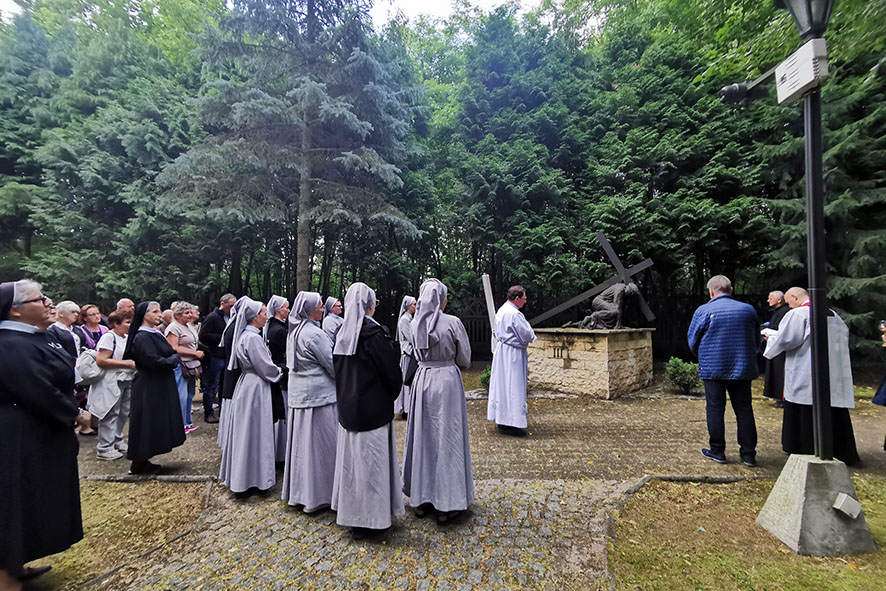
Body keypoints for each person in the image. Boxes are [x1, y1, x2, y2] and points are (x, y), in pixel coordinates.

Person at [1, 280, 90, 591]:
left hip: (43, 433)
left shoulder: (42, 336)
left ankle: (15, 561)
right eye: (40, 299)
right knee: (16, 497)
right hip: (21, 437)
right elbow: (37, 389)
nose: (49, 302)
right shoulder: (8, 343)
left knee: (32, 498)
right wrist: (77, 414)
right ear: (16, 310)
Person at [331, 283, 404, 539]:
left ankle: (354, 518)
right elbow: (391, 373)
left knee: (353, 467)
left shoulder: (341, 334)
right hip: (373, 411)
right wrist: (392, 393)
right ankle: (375, 519)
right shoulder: (374, 334)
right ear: (369, 305)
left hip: (349, 411)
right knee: (373, 467)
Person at [402, 279, 473, 523]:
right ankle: (448, 502)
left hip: (422, 380)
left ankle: (421, 498)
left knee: (424, 437)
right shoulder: (452, 322)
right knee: (447, 437)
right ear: (441, 298)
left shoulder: (413, 324)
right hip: (446, 382)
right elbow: (465, 358)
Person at [763, 287, 860, 465]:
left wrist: (771, 340)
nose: (789, 306)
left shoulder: (799, 314)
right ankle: (841, 450)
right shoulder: (833, 315)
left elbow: (786, 340)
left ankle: (804, 447)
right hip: (833, 371)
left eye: (789, 302)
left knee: (806, 408)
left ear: (794, 297)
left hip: (806, 369)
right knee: (832, 409)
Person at [688, 275, 760, 467]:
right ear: (732, 289)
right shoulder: (748, 310)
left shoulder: (704, 310)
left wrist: (703, 356)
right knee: (744, 409)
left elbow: (692, 340)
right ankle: (748, 454)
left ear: (711, 292)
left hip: (713, 368)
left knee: (715, 409)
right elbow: (756, 339)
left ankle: (718, 451)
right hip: (742, 367)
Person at [282, 291, 338, 512]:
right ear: (310, 309)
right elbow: (332, 364)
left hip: (299, 396)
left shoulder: (295, 332)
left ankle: (301, 492)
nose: (323, 309)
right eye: (320, 306)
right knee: (321, 447)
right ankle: (322, 493)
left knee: (302, 449)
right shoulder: (315, 334)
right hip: (319, 399)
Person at [219, 300, 282, 494]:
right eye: (264, 312)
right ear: (255, 317)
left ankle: (246, 476)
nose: (266, 315)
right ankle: (254, 478)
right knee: (255, 431)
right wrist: (281, 371)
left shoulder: (248, 335)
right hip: (255, 387)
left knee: (249, 431)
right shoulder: (252, 338)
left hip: (248, 384)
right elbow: (265, 366)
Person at [123, 301, 186, 475]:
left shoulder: (154, 333)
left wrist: (172, 358)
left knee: (154, 421)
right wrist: (173, 360)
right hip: (149, 386)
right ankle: (139, 461)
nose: (159, 315)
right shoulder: (142, 337)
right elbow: (153, 361)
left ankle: (144, 458)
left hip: (158, 383)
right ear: (144, 315)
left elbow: (169, 352)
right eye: (155, 312)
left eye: (160, 312)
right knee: (146, 422)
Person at [487, 285, 537, 437]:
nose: (525, 301)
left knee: (503, 385)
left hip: (502, 352)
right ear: (517, 298)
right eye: (524, 298)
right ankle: (513, 422)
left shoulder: (502, 310)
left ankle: (502, 419)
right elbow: (527, 334)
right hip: (513, 354)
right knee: (514, 385)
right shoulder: (515, 314)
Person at [88, 311, 136, 460]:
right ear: (116, 323)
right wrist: (127, 364)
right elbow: (101, 360)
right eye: (127, 322)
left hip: (127, 379)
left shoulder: (126, 337)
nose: (130, 325)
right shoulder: (109, 337)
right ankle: (105, 447)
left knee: (123, 412)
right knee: (110, 412)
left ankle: (117, 440)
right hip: (111, 380)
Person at [165, 301, 204, 434]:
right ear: (177, 314)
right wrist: (194, 353)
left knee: (189, 395)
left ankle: (187, 422)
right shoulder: (173, 328)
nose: (189, 315)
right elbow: (173, 347)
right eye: (186, 312)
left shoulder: (189, 327)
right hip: (180, 365)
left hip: (191, 365)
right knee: (180, 395)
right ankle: (179, 424)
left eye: (190, 312)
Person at [198, 294, 236, 424]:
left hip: (226, 355)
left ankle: (223, 410)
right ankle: (208, 412)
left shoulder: (231, 317)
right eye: (230, 306)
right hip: (215, 356)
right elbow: (203, 335)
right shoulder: (212, 317)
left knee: (224, 385)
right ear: (222, 304)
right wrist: (222, 338)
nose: (232, 308)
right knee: (211, 385)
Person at [265, 295, 290, 463]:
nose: (288, 310)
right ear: (279, 309)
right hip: (282, 373)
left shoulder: (274, 327)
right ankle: (281, 452)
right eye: (286, 307)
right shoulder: (279, 330)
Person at [762, 291, 789, 408]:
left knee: (780, 372)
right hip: (773, 344)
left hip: (780, 347)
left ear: (779, 300)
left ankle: (782, 398)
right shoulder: (777, 312)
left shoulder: (785, 312)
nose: (768, 300)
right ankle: (776, 395)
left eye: (771, 298)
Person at [394, 295, 416, 419]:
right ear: (408, 306)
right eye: (414, 304)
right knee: (407, 381)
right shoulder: (404, 320)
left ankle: (409, 407)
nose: (416, 306)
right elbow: (411, 337)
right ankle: (406, 408)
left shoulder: (410, 319)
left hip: (411, 354)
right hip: (408, 354)